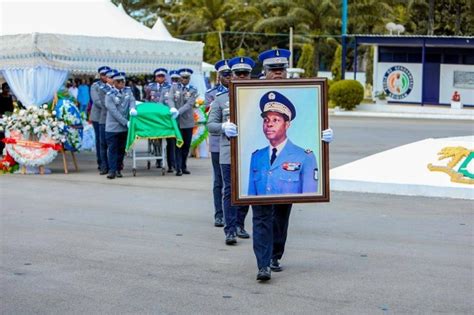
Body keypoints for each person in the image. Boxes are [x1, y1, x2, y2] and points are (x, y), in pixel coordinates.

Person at [223, 49, 333, 281]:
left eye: (281, 69)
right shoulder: (248, 93)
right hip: (260, 184)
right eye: (272, 69)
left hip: (286, 188)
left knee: (281, 219)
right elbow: (236, 119)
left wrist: (321, 137)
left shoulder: (301, 91)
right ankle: (263, 264)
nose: (277, 73)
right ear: (264, 72)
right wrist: (227, 128)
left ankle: (275, 255)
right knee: (261, 218)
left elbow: (315, 115)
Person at [207, 56, 255, 245]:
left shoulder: (259, 95)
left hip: (252, 150)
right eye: (238, 73)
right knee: (229, 190)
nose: (242, 77)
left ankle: (240, 224)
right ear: (231, 76)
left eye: (246, 74)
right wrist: (223, 127)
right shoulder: (220, 100)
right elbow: (210, 125)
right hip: (228, 151)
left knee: (247, 190)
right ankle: (230, 229)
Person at [248, 90, 318, 195]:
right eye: (266, 120)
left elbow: (310, 195)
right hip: (260, 210)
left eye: (275, 120)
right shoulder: (257, 156)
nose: (269, 124)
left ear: (287, 124)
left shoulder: (305, 157)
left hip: (287, 209)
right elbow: (251, 195)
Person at [205, 60, 232, 228]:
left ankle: (232, 215)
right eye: (225, 75)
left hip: (234, 142)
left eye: (231, 74)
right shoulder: (212, 94)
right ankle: (219, 213)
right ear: (219, 76)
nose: (228, 77)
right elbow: (210, 117)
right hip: (217, 141)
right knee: (219, 180)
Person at [104, 71, 135, 179]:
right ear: (114, 83)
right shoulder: (109, 95)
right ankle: (112, 170)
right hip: (113, 127)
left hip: (123, 128)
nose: (122, 83)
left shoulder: (128, 91)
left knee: (121, 150)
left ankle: (118, 169)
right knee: (112, 149)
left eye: (123, 81)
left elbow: (132, 101)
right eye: (119, 82)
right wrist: (126, 122)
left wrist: (132, 109)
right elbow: (114, 112)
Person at [167, 68, 196, 176]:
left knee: (186, 146)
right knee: (177, 144)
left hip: (187, 121)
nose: (185, 80)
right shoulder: (174, 87)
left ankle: (184, 165)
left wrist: (178, 112)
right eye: (183, 78)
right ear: (180, 78)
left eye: (187, 78)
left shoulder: (192, 90)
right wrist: (172, 108)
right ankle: (178, 168)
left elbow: (189, 104)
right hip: (177, 122)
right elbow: (169, 99)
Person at [146, 68, 175, 172]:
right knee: (156, 140)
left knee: (170, 140)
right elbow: (147, 100)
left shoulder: (170, 87)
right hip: (154, 117)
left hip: (166, 117)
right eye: (158, 76)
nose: (160, 78)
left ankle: (171, 163)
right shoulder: (150, 87)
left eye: (162, 76)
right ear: (155, 77)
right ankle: (159, 160)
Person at [90, 66, 110, 172]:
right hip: (98, 116)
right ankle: (101, 162)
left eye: (107, 74)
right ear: (99, 75)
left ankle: (110, 162)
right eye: (103, 75)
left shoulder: (112, 84)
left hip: (111, 117)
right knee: (100, 140)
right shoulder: (95, 86)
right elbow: (96, 100)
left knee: (110, 140)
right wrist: (110, 107)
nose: (105, 77)